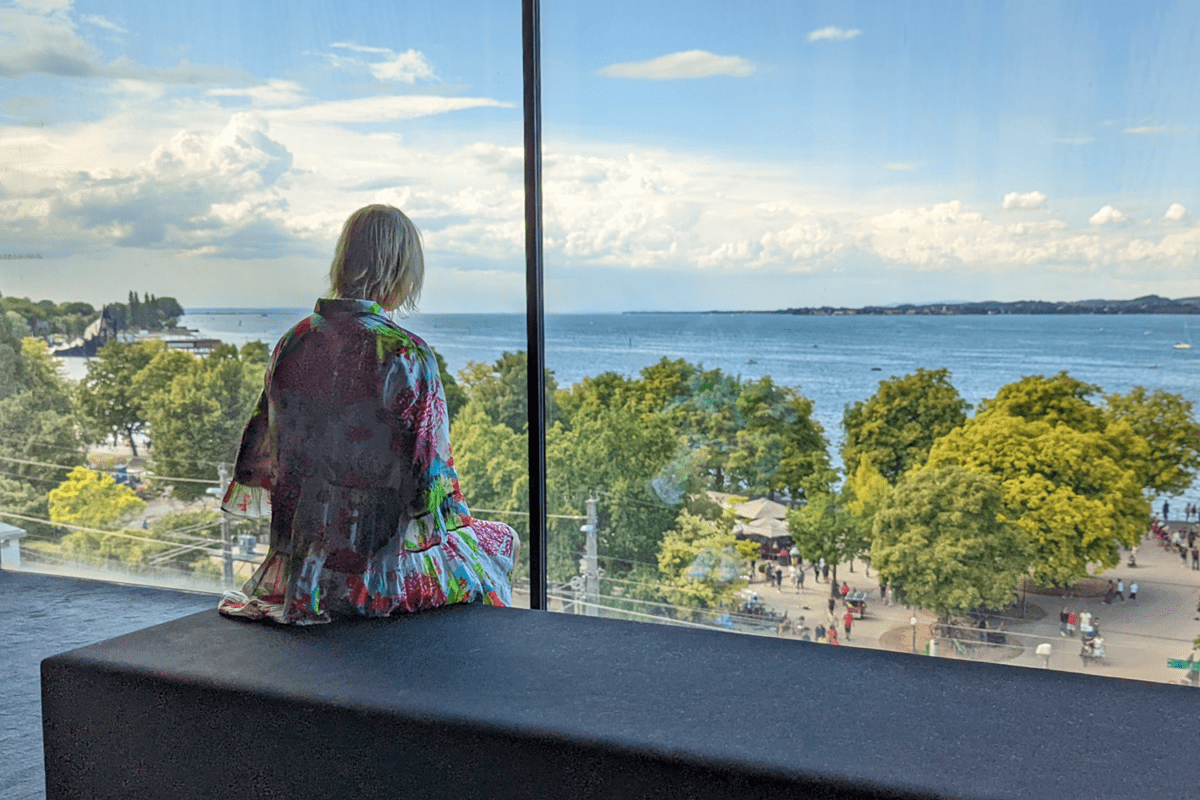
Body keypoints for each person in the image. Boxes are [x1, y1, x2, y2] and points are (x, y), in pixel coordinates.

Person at [217, 205, 517, 625]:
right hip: (377, 582)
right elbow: (430, 487)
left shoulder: (294, 342)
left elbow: (255, 462)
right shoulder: (405, 354)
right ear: (399, 271)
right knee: (501, 540)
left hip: (304, 578)